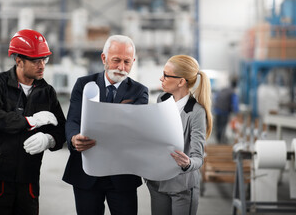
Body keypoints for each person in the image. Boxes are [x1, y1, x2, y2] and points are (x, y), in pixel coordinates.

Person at [0, 29, 66, 215]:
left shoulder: (47, 92)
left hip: (28, 179)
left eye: (45, 59)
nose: (42, 65)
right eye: (36, 60)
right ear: (19, 61)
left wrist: (49, 139)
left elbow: (61, 129)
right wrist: (30, 121)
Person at [63, 35, 149, 215]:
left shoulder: (139, 91)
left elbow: (134, 130)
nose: (121, 67)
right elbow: (73, 120)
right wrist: (73, 138)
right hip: (86, 171)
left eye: (127, 62)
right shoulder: (84, 84)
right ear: (104, 58)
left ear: (133, 61)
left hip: (122, 175)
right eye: (116, 60)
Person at [146, 55, 212, 215]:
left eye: (166, 75)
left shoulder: (196, 112)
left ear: (181, 81)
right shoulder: (162, 99)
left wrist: (188, 163)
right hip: (158, 182)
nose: (161, 78)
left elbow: (198, 156)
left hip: (182, 185)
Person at [213, 77, 239, 143]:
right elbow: (235, 103)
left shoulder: (223, 89)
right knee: (223, 126)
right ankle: (222, 142)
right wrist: (236, 112)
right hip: (224, 111)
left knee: (218, 126)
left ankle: (218, 140)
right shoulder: (232, 92)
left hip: (217, 110)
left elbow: (216, 98)